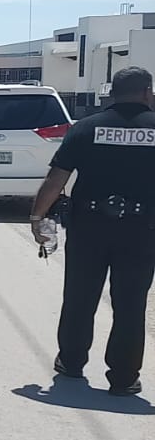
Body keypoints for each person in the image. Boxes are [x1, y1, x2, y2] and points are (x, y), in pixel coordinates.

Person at [30, 66, 155, 397]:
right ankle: (124, 377)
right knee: (130, 304)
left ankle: (71, 362)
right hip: (142, 230)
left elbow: (56, 180)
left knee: (79, 297)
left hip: (90, 227)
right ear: (147, 93)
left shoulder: (86, 128)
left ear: (111, 93)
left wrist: (37, 217)